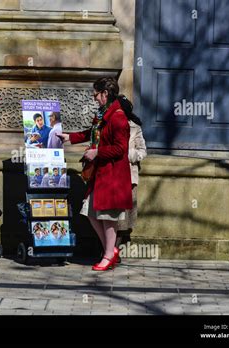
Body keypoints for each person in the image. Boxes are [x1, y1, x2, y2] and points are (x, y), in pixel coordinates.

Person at [59, 76, 132, 271]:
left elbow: (121, 149)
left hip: (112, 176)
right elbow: (90, 133)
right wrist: (69, 137)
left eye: (96, 94)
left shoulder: (117, 117)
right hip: (100, 175)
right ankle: (110, 250)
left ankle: (108, 254)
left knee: (108, 217)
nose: (94, 98)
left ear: (105, 94)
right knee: (90, 212)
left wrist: (97, 152)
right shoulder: (103, 114)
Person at [116, 96, 147, 263]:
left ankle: (115, 250)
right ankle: (108, 249)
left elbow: (142, 150)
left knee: (124, 215)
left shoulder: (135, 127)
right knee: (110, 214)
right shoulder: (107, 124)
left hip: (128, 176)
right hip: (111, 176)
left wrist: (130, 154)